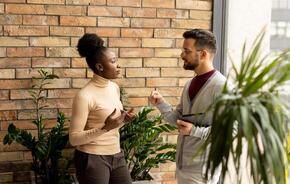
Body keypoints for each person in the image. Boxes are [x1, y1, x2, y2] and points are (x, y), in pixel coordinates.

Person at [149, 29, 226, 184]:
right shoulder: (190, 84)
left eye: (187, 51)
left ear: (203, 54)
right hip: (183, 168)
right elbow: (179, 120)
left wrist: (194, 131)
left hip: (203, 171)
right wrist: (162, 104)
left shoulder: (221, 86)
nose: (182, 55)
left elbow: (230, 131)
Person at [69, 33, 134, 184]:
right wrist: (105, 128)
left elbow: (112, 124)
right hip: (92, 158)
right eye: (113, 61)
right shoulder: (84, 96)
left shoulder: (114, 88)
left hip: (116, 154)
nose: (118, 65)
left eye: (116, 60)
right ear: (99, 67)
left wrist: (124, 120)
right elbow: (74, 138)